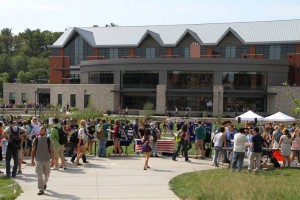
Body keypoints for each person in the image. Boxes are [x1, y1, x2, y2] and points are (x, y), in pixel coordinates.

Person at [31, 126, 54, 195]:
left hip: (47, 159)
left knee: (47, 174)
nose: (41, 132)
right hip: (38, 159)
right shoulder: (36, 139)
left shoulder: (48, 140)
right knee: (39, 175)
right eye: (40, 131)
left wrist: (53, 160)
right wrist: (32, 160)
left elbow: (52, 150)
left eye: (42, 131)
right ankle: (41, 189)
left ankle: (44, 183)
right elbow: (33, 150)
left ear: (45, 132)